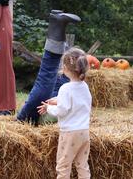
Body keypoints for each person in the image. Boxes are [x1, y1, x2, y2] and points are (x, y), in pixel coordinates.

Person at [17, 11, 81, 125]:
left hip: (42, 113)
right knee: (56, 76)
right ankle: (57, 24)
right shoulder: (82, 88)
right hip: (54, 106)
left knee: (48, 77)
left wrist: (52, 105)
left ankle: (57, 23)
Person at [37, 47, 92, 179]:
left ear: (65, 68)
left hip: (69, 134)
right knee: (82, 165)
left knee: (63, 166)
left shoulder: (65, 88)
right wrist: (56, 100)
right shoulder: (84, 86)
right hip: (84, 132)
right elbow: (77, 101)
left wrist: (49, 108)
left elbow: (62, 111)